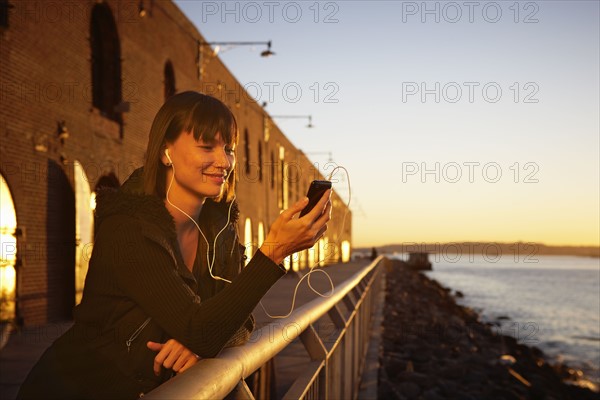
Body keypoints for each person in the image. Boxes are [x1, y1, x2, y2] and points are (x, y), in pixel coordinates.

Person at [17, 91, 331, 399]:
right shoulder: (129, 228)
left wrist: (196, 340)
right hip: (76, 387)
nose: (224, 161)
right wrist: (273, 251)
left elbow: (238, 318)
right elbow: (205, 329)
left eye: (230, 149)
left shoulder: (220, 231)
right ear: (165, 152)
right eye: (207, 146)